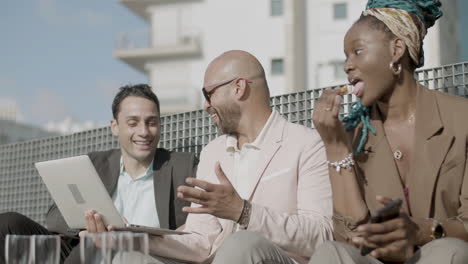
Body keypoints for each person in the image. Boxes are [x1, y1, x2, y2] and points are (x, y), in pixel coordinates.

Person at [119, 50, 332, 264]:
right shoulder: (212, 152)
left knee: (241, 243)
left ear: (238, 88)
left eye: (208, 93)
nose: (205, 105)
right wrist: (135, 238)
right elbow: (202, 242)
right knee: (129, 258)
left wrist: (244, 212)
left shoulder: (308, 144)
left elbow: (322, 235)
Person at [310, 0, 468, 263]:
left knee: (447, 252)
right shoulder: (352, 137)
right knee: (330, 253)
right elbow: (350, 238)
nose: (347, 66)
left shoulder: (462, 118)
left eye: (357, 51)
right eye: (346, 56)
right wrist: (337, 149)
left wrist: (421, 231)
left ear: (396, 50)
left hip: (444, 255)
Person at [0, 84, 198, 264]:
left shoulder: (184, 166)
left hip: (139, 255)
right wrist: (88, 224)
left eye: (151, 122)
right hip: (80, 252)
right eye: (133, 123)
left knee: (101, 242)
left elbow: (202, 226)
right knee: (8, 223)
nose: (144, 131)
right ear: (115, 127)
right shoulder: (95, 163)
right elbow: (54, 218)